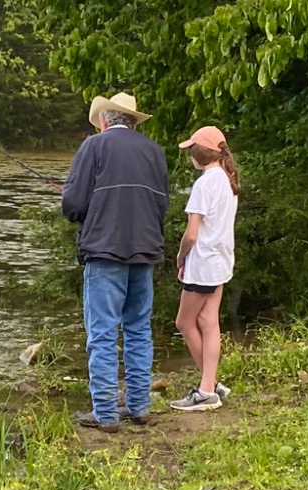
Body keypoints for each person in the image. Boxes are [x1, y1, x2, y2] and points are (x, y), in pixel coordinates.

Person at [60, 92, 170, 433]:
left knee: (103, 333)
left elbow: (73, 205)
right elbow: (162, 204)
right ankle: (139, 407)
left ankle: (106, 414)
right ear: (133, 121)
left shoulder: (94, 146)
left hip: (105, 251)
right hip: (145, 249)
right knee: (139, 330)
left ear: (104, 121)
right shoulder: (154, 151)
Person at [169, 126, 240, 412]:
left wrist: (180, 257)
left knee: (184, 323)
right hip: (221, 261)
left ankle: (207, 390)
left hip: (203, 264)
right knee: (209, 321)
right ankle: (210, 385)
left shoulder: (204, 184)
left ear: (198, 155)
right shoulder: (227, 179)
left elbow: (191, 235)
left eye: (191, 151)